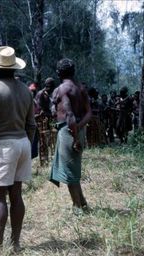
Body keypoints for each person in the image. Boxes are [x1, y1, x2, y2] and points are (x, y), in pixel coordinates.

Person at [0, 46, 36, 253]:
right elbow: (31, 124)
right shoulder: (26, 91)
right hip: (22, 144)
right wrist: (26, 145)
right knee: (16, 194)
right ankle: (15, 243)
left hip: (3, 147)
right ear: (14, 68)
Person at [50, 58, 92, 215]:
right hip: (77, 130)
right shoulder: (80, 88)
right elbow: (89, 113)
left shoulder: (63, 89)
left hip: (69, 132)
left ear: (59, 73)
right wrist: (80, 129)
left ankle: (77, 209)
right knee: (73, 169)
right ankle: (82, 202)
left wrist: (74, 137)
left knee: (69, 172)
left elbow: (69, 114)